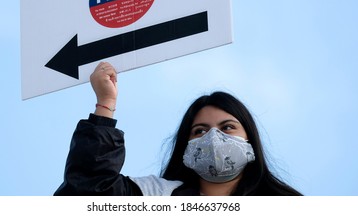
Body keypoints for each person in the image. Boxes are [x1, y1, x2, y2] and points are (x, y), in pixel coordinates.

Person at [54, 62, 302, 196]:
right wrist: (106, 104)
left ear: (250, 139)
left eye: (227, 127)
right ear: (186, 147)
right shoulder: (156, 196)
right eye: (200, 131)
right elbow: (87, 189)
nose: (214, 138)